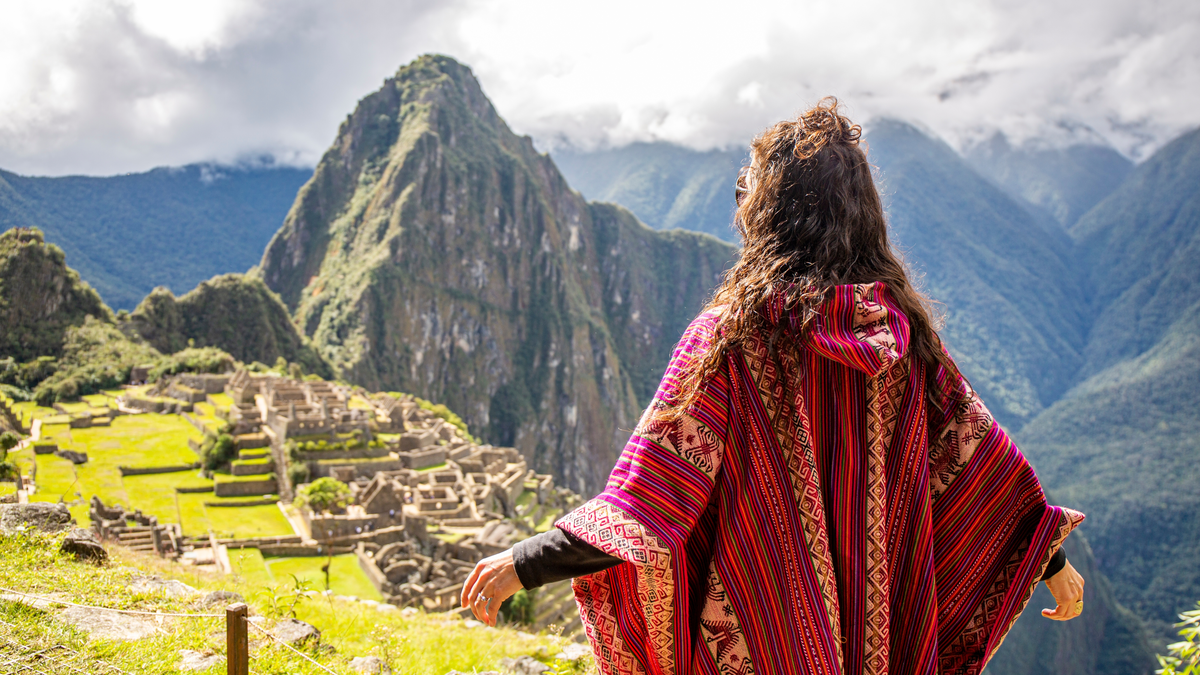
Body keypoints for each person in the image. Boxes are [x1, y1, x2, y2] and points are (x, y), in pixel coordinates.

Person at [461, 99, 1086, 675]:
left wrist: (528, 561)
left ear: (768, 213)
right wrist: (1050, 563)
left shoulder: (731, 339)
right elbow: (985, 470)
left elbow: (649, 501)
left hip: (761, 639)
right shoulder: (905, 340)